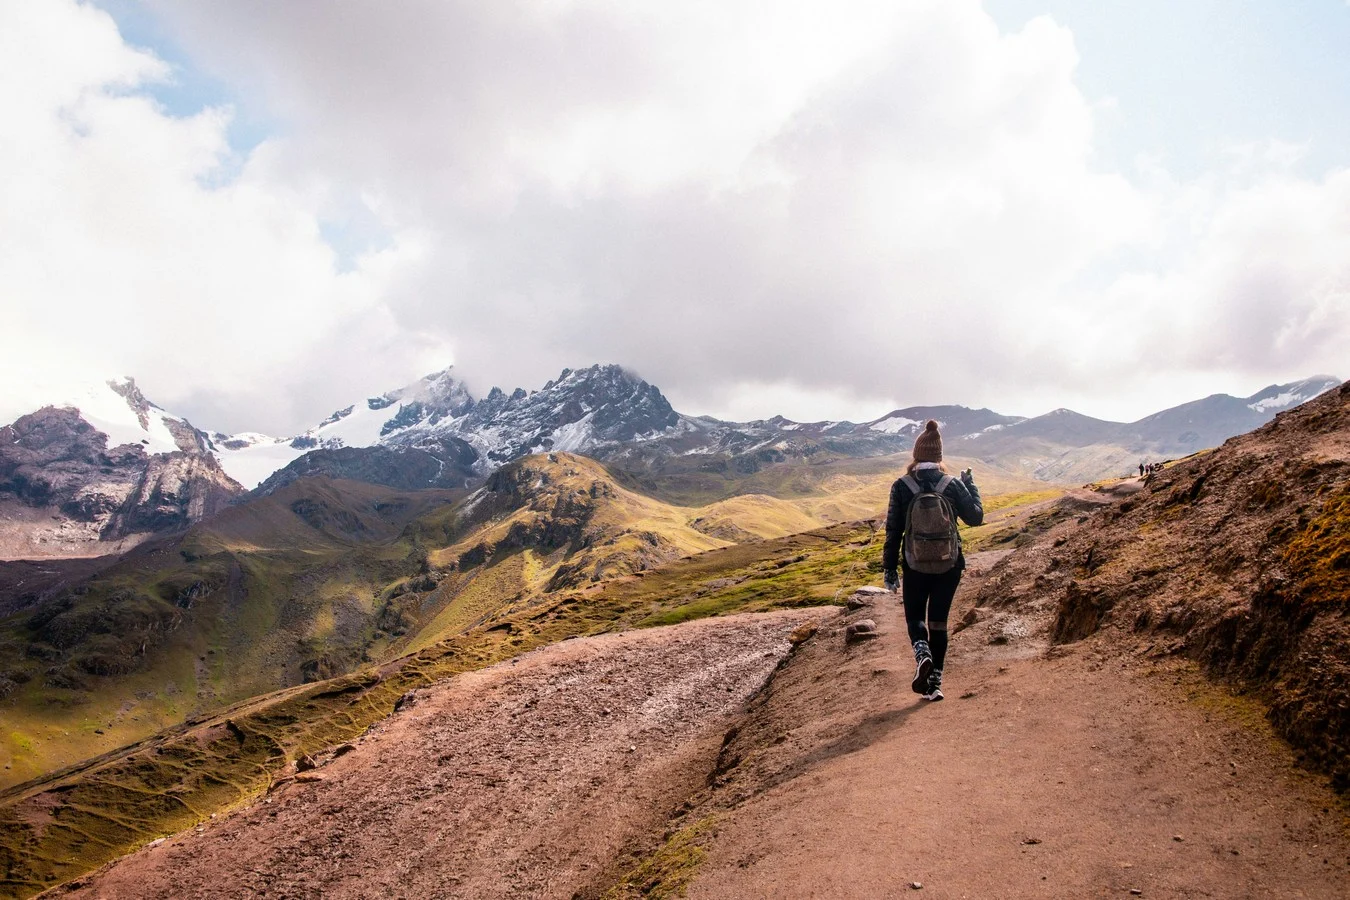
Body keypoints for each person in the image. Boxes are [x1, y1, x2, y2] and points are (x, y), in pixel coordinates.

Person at [882, 420, 983, 702]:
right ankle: (934, 684)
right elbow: (976, 518)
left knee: (915, 618)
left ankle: (922, 652)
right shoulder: (951, 484)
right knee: (938, 622)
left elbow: (893, 530)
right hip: (949, 565)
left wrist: (890, 569)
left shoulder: (901, 486)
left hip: (914, 565)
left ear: (916, 455)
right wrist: (970, 486)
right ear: (939, 456)